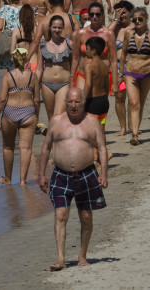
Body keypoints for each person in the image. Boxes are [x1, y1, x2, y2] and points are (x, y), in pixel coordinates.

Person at [38, 87, 107, 271]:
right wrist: (42, 174)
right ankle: (61, 258)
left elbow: (101, 148)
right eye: (70, 102)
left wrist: (104, 173)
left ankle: (82, 255)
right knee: (61, 215)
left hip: (87, 173)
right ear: (66, 102)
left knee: (85, 215)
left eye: (77, 102)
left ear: (83, 102)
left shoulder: (93, 122)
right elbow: (45, 149)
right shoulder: (56, 121)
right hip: (60, 174)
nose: (73, 105)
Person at [0, 48, 39, 185]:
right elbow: (36, 100)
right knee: (26, 148)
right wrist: (35, 115)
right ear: (26, 59)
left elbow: (2, 99)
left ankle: (8, 179)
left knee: (8, 147)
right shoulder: (33, 76)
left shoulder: (8, 76)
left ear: (12, 60)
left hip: (10, 112)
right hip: (28, 112)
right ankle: (22, 180)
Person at [120, 7, 150, 146]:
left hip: (146, 73)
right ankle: (135, 135)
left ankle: (136, 128)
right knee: (133, 103)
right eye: (135, 19)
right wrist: (121, 72)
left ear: (146, 19)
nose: (137, 21)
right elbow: (124, 52)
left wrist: (143, 65)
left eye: (140, 19)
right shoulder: (128, 34)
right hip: (130, 72)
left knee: (141, 103)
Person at [37, 15, 73, 123]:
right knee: (51, 118)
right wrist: (33, 85)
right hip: (46, 84)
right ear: (50, 27)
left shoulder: (69, 43)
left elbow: (73, 64)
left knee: (58, 116)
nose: (57, 30)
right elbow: (39, 68)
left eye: (59, 28)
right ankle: (53, 139)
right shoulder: (43, 44)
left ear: (62, 28)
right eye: (54, 27)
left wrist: (74, 82)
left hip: (64, 84)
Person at [108, 0, 134, 136]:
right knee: (119, 96)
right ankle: (123, 127)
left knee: (133, 98)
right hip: (117, 67)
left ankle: (132, 125)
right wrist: (115, 20)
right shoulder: (115, 28)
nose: (121, 15)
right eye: (119, 13)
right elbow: (104, 35)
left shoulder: (136, 27)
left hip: (132, 66)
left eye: (124, 12)